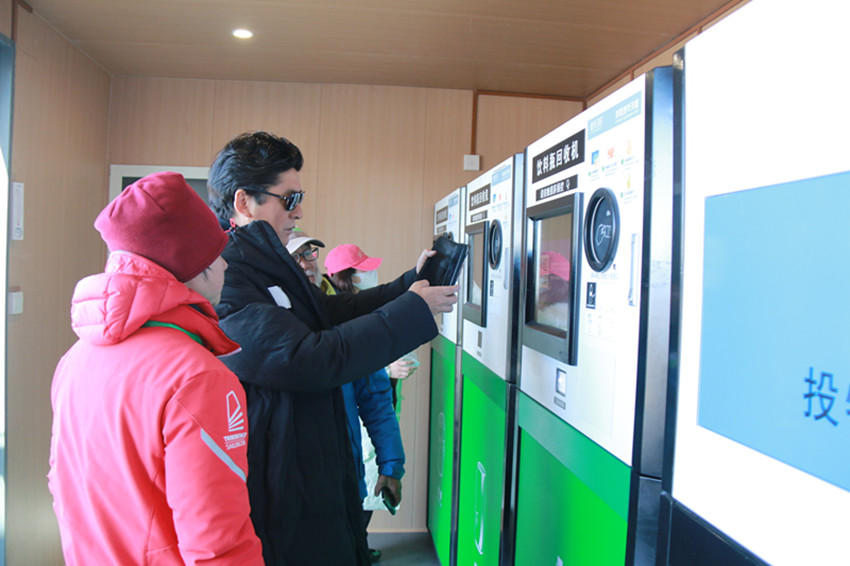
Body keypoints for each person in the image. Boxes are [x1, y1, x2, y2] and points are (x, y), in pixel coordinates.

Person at [206, 131, 458, 566]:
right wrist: (412, 311)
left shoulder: (267, 263)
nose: (299, 210)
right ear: (244, 202)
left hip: (314, 458)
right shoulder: (231, 276)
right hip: (284, 476)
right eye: (290, 198)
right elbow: (305, 358)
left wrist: (406, 286)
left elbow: (327, 312)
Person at [48, 172, 263, 565]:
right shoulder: (198, 377)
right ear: (192, 265)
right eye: (216, 254)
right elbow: (216, 540)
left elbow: (63, 486)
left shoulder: (75, 359)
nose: (225, 265)